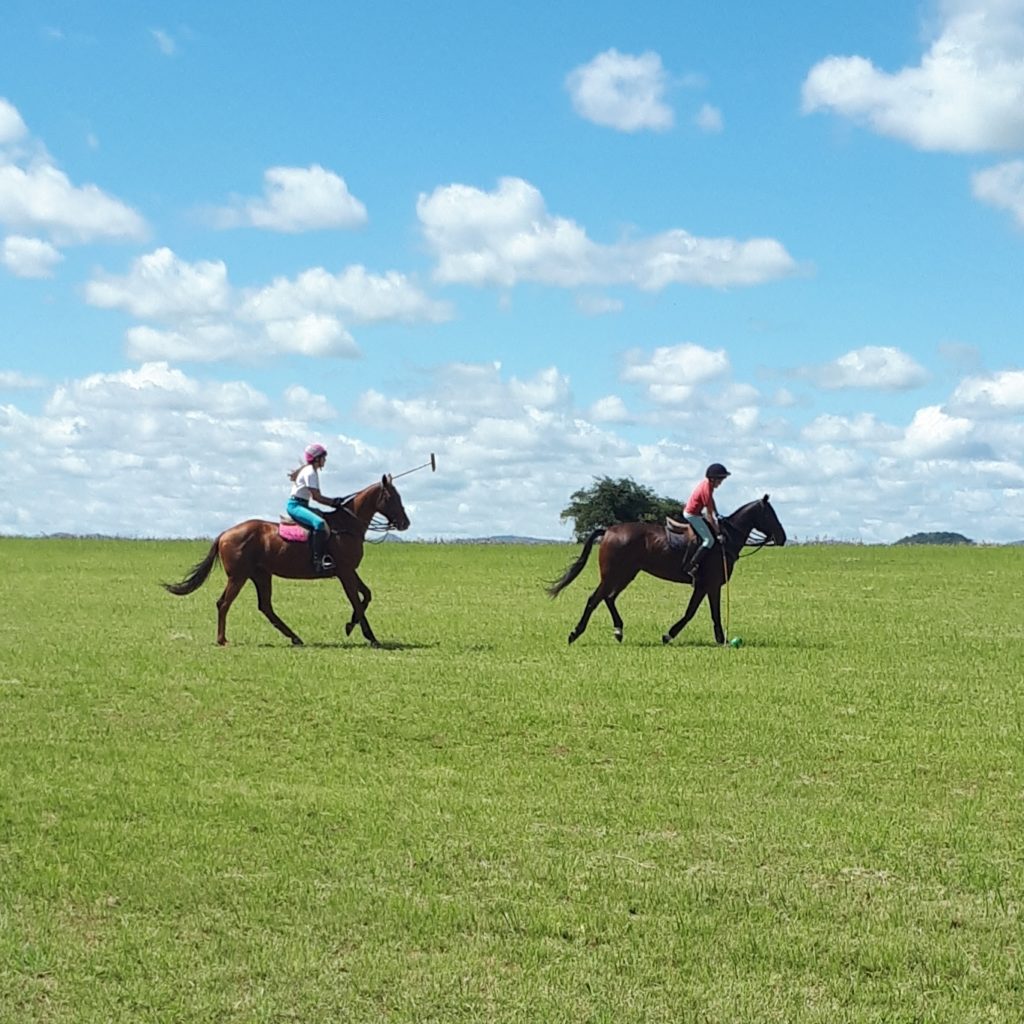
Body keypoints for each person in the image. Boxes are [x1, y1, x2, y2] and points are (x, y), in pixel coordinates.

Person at [286, 443, 345, 574]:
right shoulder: (310, 472)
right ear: (317, 458)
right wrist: (333, 502)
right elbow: (316, 497)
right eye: (323, 457)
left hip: (302, 505)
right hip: (295, 506)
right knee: (319, 523)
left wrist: (334, 501)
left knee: (325, 519)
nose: (325, 460)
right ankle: (318, 561)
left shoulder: (311, 470)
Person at [681, 463, 730, 582]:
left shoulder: (708, 486)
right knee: (709, 540)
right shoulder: (706, 490)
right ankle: (691, 566)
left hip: (696, 513)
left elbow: (711, 503)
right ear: (713, 479)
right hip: (692, 515)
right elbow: (709, 516)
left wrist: (717, 512)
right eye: (720, 480)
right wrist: (718, 533)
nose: (721, 482)